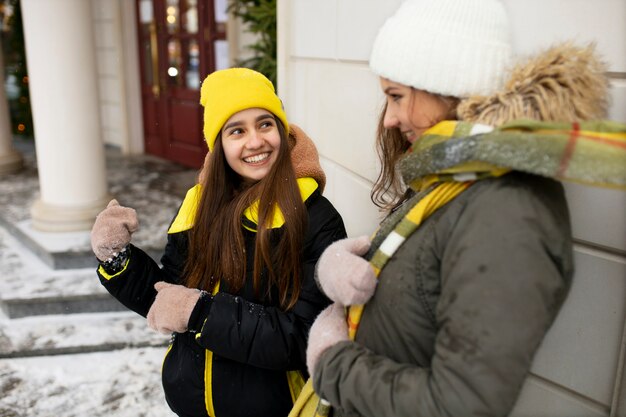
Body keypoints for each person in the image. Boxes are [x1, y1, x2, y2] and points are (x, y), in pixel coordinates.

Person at [302, 0, 615, 416]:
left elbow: (462, 405)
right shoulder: (457, 174)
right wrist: (340, 270)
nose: (390, 119)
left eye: (397, 96)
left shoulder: (508, 210)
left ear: (445, 86)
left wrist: (334, 364)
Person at [90, 68, 347, 417]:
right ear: (219, 143)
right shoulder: (200, 203)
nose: (255, 141)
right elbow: (168, 297)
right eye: (237, 130)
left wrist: (200, 312)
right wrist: (118, 259)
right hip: (194, 405)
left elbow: (305, 336)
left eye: (265, 124)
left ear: (282, 130)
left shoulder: (313, 216)